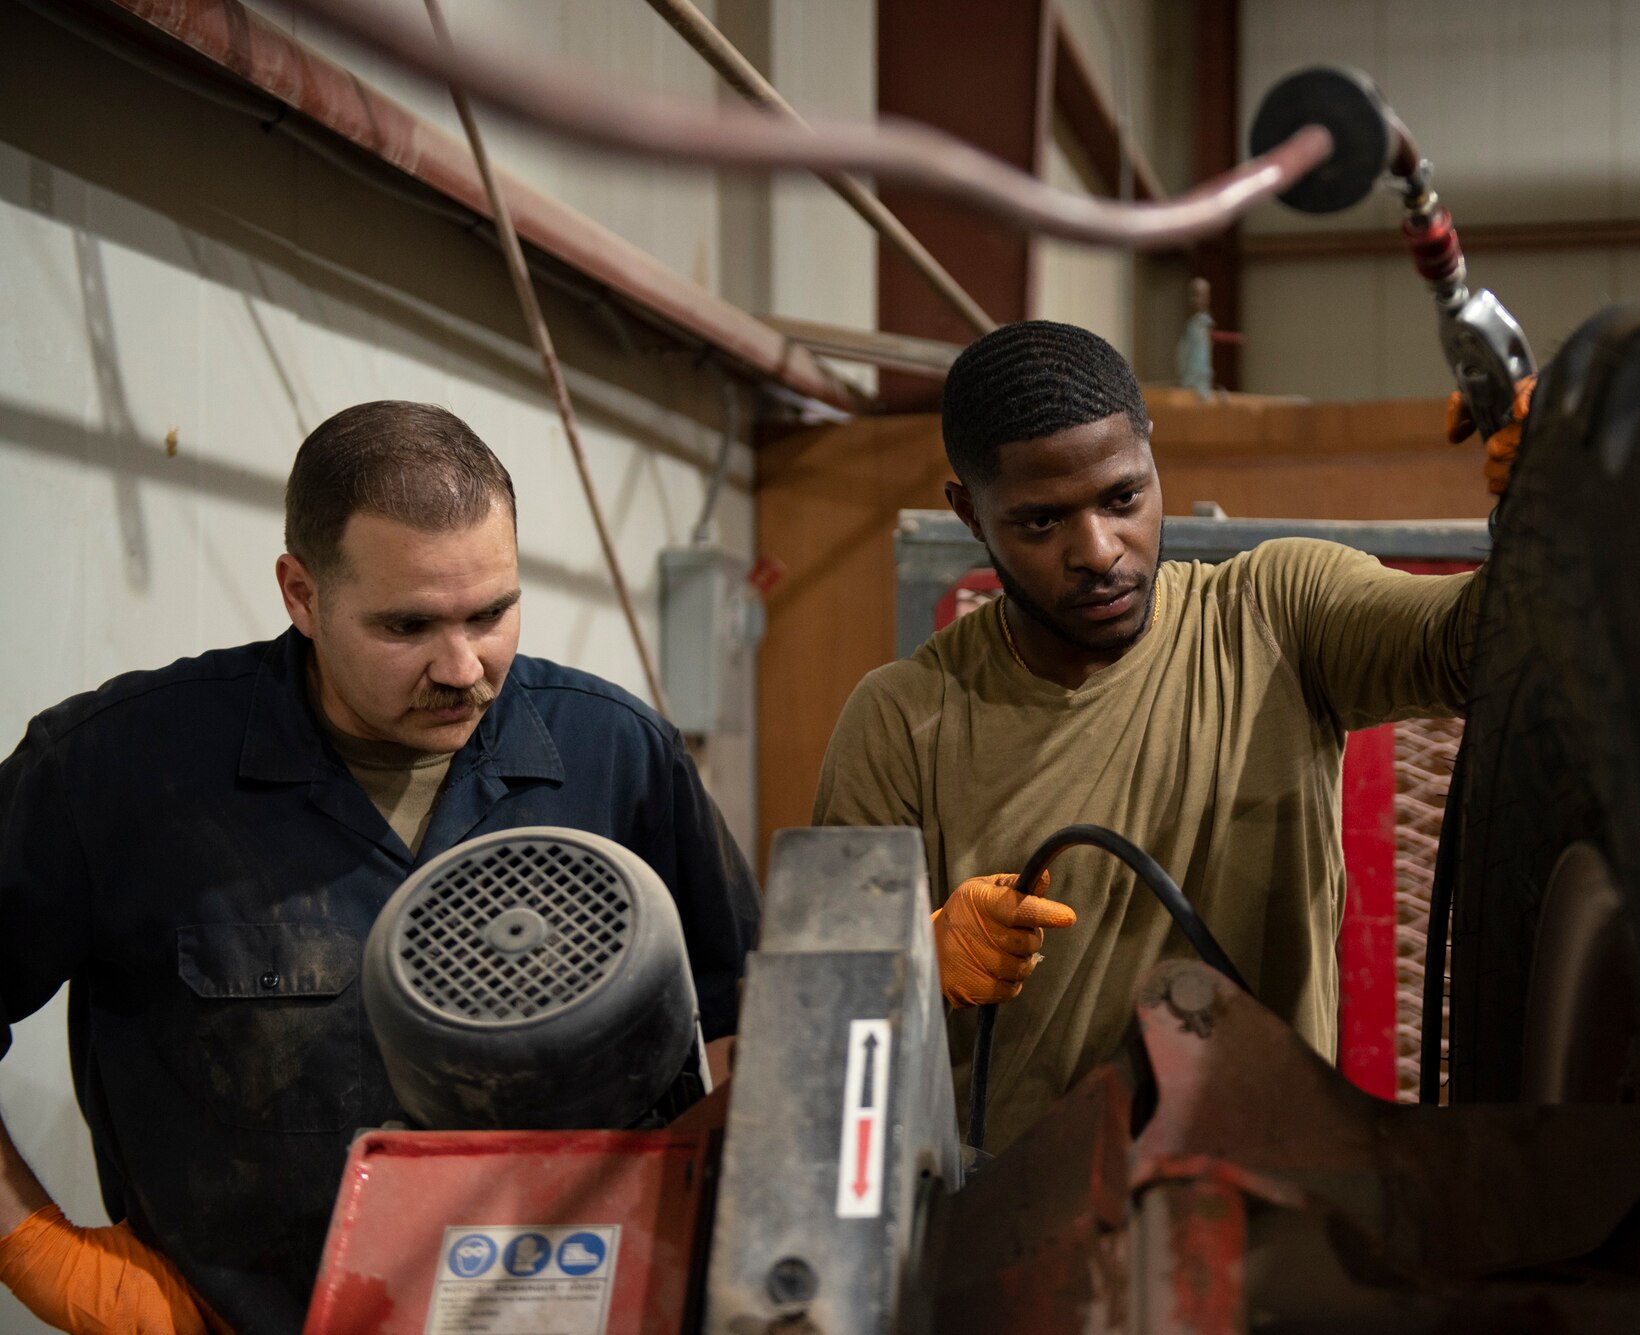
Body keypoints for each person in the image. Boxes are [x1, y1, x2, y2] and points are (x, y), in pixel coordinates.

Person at [0, 402, 761, 1333]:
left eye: (493, 612)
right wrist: (33, 1246)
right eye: (408, 626)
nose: (464, 666)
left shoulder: (617, 754)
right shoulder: (114, 771)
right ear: (301, 594)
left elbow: (739, 1023)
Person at [814, 320, 1524, 1153]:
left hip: (1266, 1204)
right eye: (1041, 523)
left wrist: (1554, 500)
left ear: (1152, 458)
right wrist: (913, 959)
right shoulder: (901, 720)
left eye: (1123, 498)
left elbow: (1490, 643)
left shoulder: (1276, 615)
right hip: (1020, 1232)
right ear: (970, 512)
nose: (1099, 550)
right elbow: (817, 1022)